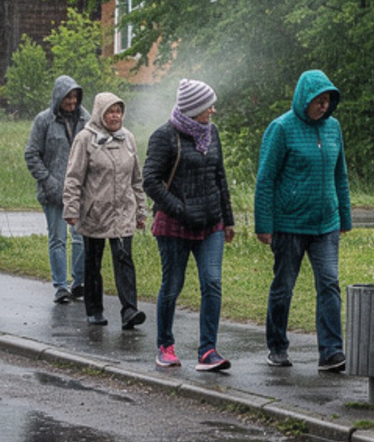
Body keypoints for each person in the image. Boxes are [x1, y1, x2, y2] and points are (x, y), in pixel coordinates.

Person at [254, 69, 351, 371]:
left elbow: (340, 175)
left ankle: (332, 352)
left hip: (326, 224)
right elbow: (265, 179)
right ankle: (277, 346)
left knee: (329, 284)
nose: (323, 107)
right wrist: (263, 224)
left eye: (327, 101)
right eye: (317, 101)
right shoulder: (281, 128)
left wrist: (344, 216)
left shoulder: (333, 128)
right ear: (303, 99)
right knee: (284, 286)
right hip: (289, 224)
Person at [144, 78, 235, 373]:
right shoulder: (164, 136)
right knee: (172, 285)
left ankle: (208, 351)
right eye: (208, 105)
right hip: (175, 226)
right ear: (194, 108)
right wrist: (180, 209)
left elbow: (219, 176)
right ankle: (165, 346)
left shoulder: (212, 133)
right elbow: (151, 181)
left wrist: (228, 219)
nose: (213, 110)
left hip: (211, 225)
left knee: (212, 282)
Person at [63, 91, 147, 331]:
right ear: (100, 113)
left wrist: (141, 210)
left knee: (124, 260)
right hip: (95, 212)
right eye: (110, 111)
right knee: (93, 262)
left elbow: (136, 179)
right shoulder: (85, 139)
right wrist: (71, 207)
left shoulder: (128, 139)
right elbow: (73, 177)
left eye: (118, 111)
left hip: (123, 212)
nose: (115, 116)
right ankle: (94, 310)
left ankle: (129, 310)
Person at [24, 74, 88, 304]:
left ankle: (78, 282)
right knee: (58, 238)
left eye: (75, 97)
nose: (71, 102)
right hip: (53, 191)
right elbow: (31, 154)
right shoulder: (44, 121)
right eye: (67, 98)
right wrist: (48, 181)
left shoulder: (85, 119)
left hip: (80, 190)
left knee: (80, 238)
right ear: (58, 97)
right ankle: (60, 286)